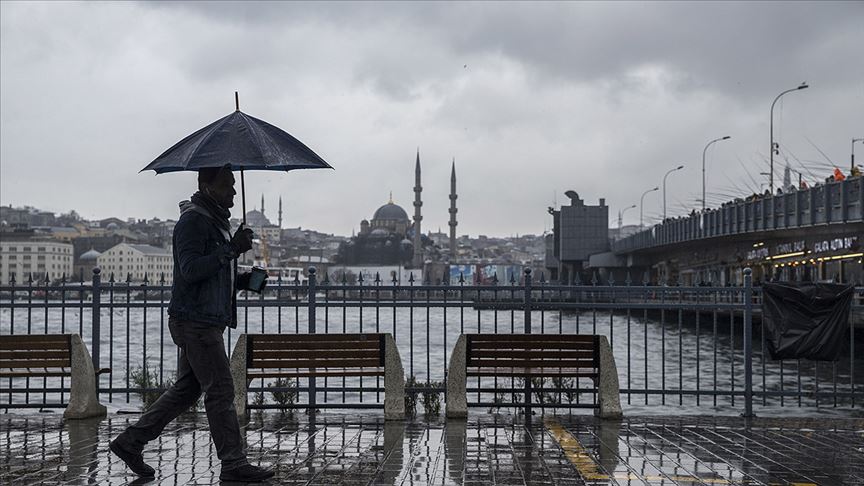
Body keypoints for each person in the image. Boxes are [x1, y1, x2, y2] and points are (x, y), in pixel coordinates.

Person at [109, 165, 274, 482]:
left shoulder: (215, 223)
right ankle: (233, 463)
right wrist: (231, 249)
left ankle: (130, 442)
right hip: (195, 321)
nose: (234, 192)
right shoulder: (193, 221)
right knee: (221, 389)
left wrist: (247, 281)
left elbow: (214, 275)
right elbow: (191, 270)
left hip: (206, 319)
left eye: (234, 185)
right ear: (208, 186)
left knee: (187, 390)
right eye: (228, 185)